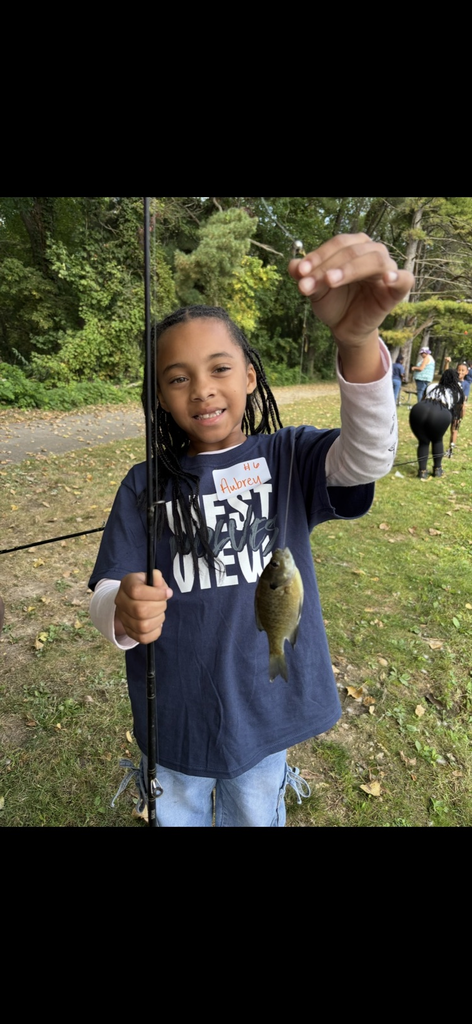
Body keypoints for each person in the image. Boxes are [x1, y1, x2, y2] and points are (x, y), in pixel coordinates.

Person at [89, 234, 414, 828]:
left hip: (265, 709)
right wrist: (119, 609)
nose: (203, 389)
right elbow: (107, 588)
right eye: (177, 378)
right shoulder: (144, 484)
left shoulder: (287, 458)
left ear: (249, 375)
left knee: (255, 812)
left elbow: (367, 458)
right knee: (178, 812)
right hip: (176, 711)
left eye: (219, 369)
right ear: (159, 397)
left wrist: (358, 341)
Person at [409, 368, 464, 479]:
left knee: (424, 441)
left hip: (419, 409)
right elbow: (459, 411)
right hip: (440, 412)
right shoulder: (457, 391)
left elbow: (424, 399)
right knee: (437, 440)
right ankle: (437, 470)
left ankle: (422, 472)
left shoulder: (432, 386)